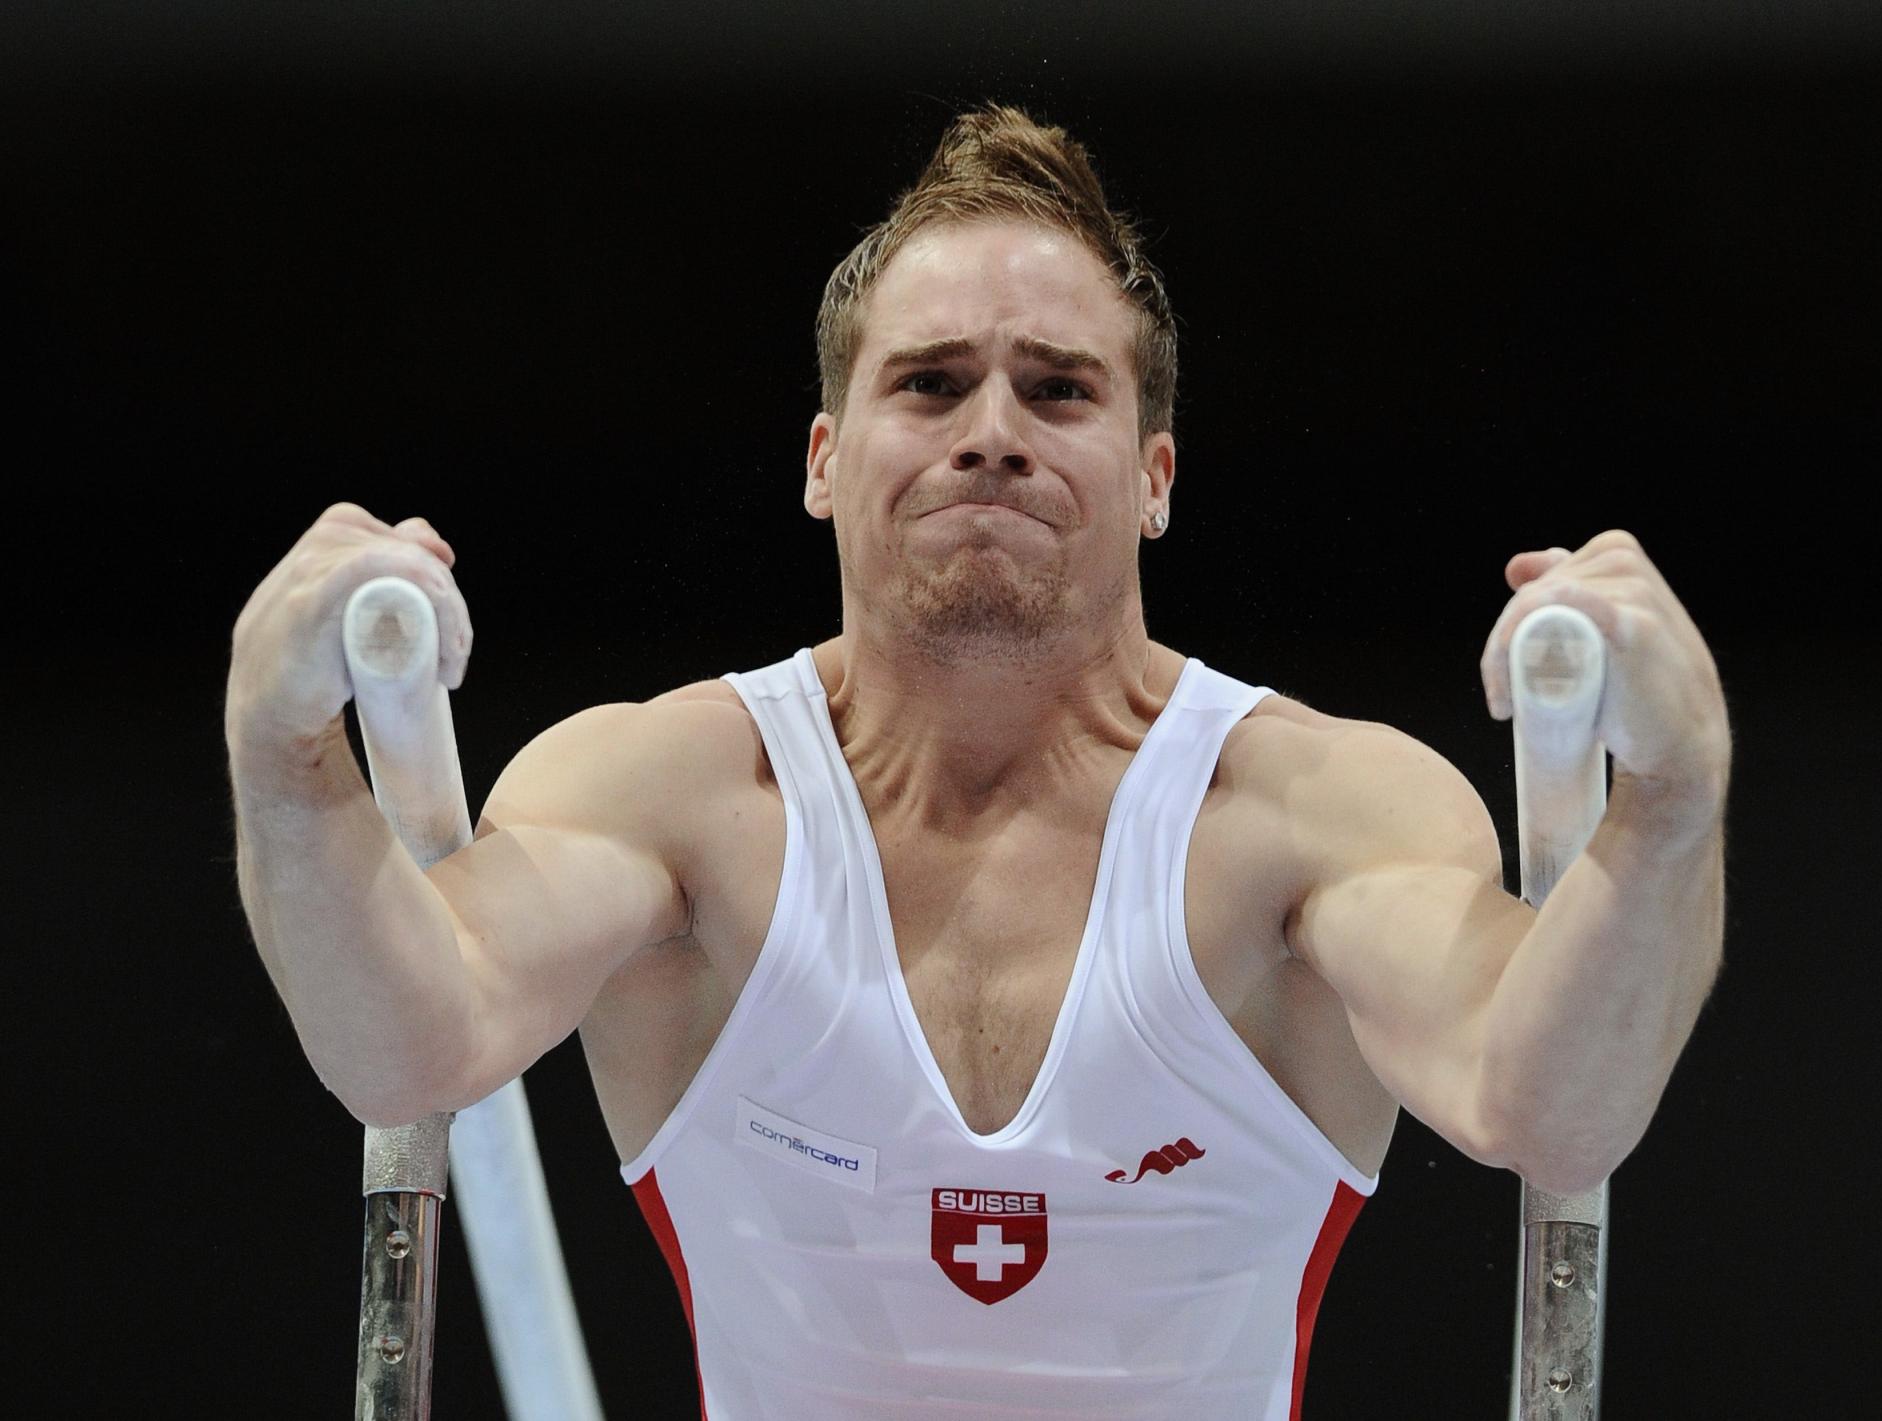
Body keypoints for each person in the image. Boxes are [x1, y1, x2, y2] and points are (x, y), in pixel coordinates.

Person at [225, 102, 1730, 1418]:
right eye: (931, 383)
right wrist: (283, 748)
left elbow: (1551, 1107)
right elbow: (407, 1049)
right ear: (825, 460)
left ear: (1155, 479)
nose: (993, 432)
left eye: (1060, 389)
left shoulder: (1303, 818)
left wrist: (1671, 801)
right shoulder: (676, 801)